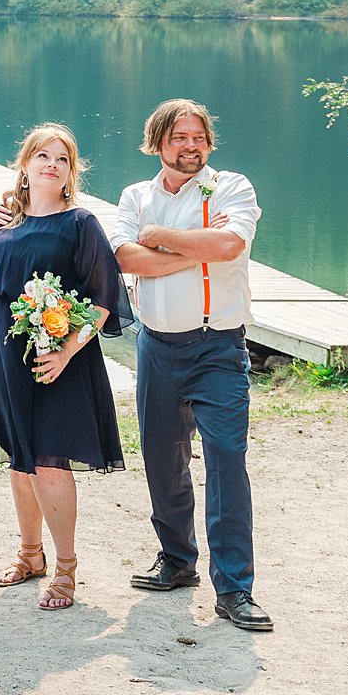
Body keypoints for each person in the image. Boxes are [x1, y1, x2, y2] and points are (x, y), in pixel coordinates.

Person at [111, 98, 271, 632]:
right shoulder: (136, 196)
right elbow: (124, 259)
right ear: (158, 142)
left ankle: (235, 589)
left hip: (217, 347)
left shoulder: (232, 187)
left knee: (226, 462)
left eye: (198, 136)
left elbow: (228, 245)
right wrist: (195, 247)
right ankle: (177, 559)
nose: (190, 146)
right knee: (162, 458)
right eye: (179, 137)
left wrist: (158, 236)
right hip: (156, 348)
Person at [0, 123, 126, 612]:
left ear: (72, 172)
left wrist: (67, 350)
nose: (52, 165)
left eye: (62, 159)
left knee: (50, 461)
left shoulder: (80, 224)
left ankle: (66, 567)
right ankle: (30, 554)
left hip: (55, 357)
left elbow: (102, 300)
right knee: (18, 456)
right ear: (25, 164)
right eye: (43, 156)